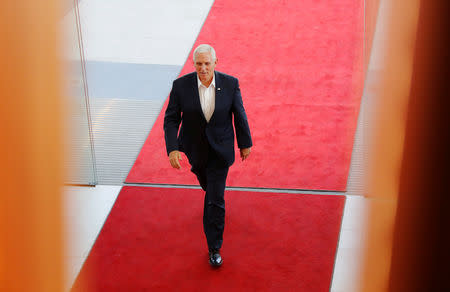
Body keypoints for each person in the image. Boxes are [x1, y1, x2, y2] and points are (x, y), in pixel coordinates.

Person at [163, 44, 252, 267]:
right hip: (195, 149)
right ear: (194, 64)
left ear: (215, 62)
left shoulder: (230, 84)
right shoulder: (181, 86)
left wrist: (244, 143)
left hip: (220, 150)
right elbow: (172, 118)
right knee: (207, 185)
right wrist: (173, 148)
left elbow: (239, 114)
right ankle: (209, 189)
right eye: (199, 64)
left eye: (207, 63)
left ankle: (214, 247)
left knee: (215, 199)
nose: (203, 68)